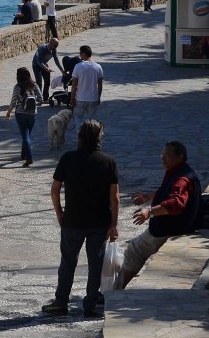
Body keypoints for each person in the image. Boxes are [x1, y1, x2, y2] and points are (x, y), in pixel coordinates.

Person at [42, 120, 119, 318]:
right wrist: (114, 224)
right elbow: (115, 197)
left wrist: (59, 212)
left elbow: (55, 189)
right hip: (99, 222)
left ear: (80, 137)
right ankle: (91, 305)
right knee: (95, 264)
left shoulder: (67, 158)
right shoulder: (108, 161)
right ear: (99, 138)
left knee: (68, 262)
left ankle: (61, 302)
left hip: (73, 221)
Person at [120, 141, 202, 288]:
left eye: (168, 155)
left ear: (180, 157)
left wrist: (149, 212)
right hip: (174, 225)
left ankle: (116, 289)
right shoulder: (178, 171)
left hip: (170, 228)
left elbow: (176, 203)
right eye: (162, 155)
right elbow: (166, 191)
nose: (163, 159)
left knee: (134, 250)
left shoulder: (182, 179)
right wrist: (148, 197)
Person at [5, 67, 43, 167]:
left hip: (20, 114)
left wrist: (8, 113)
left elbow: (13, 103)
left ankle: (29, 158)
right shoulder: (34, 85)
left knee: (25, 136)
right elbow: (41, 98)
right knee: (26, 135)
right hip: (32, 115)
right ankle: (23, 154)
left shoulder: (17, 87)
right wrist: (33, 100)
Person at [69, 45, 103, 132]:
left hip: (81, 98)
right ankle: (91, 138)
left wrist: (72, 98)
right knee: (91, 121)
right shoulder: (98, 67)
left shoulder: (78, 66)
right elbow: (100, 85)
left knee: (78, 117)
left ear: (84, 53)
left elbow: (74, 84)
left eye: (80, 53)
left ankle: (81, 135)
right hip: (93, 98)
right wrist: (99, 97)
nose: (80, 55)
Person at [32, 38, 65, 102]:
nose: (55, 48)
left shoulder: (53, 50)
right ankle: (39, 97)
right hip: (36, 65)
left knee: (47, 82)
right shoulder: (42, 48)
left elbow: (56, 60)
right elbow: (38, 60)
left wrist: (62, 70)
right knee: (39, 82)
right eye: (55, 46)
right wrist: (45, 68)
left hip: (44, 64)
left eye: (56, 46)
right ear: (50, 43)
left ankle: (45, 98)